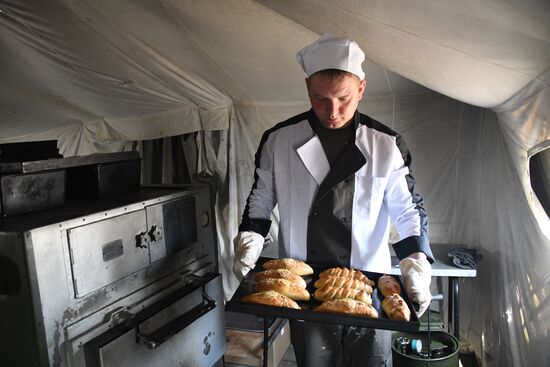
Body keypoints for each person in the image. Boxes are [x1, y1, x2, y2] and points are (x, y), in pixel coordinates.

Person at [233, 34, 433, 367]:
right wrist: (250, 238)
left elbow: (408, 211)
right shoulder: (279, 140)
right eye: (320, 98)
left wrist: (417, 263)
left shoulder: (386, 144)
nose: (332, 111)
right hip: (305, 284)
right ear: (307, 87)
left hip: (367, 288)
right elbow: (261, 198)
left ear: (362, 89)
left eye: (343, 98)